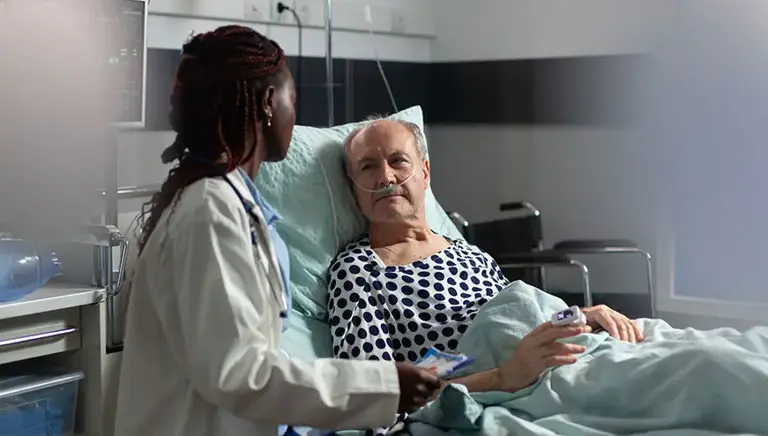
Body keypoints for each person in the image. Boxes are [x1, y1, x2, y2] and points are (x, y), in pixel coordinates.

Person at [114, 27, 440, 436]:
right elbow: (241, 373)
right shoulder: (210, 213)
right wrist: (385, 386)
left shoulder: (232, 206)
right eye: (293, 101)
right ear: (270, 103)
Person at [327, 118, 645, 396]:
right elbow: (370, 395)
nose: (386, 177)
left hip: (576, 352)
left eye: (399, 161)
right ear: (353, 189)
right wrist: (503, 376)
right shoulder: (358, 270)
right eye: (368, 166)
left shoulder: (470, 254)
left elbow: (520, 316)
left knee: (677, 351)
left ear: (425, 174)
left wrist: (578, 317)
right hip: (532, 384)